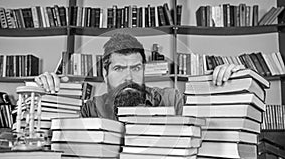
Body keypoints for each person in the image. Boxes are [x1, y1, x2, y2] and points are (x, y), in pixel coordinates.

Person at [35, 33, 245, 120]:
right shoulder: (90, 109)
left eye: (136, 68)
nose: (129, 78)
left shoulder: (172, 100)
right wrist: (44, 93)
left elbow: (214, 127)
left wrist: (228, 82)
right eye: (118, 69)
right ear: (104, 74)